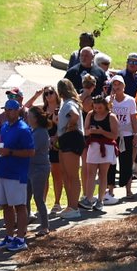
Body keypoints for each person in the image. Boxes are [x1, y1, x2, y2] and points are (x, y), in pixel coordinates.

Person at [0, 99, 35, 251]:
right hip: (3, 171)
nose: (7, 112)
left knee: (19, 205)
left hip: (16, 174)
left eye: (10, 110)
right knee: (6, 205)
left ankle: (21, 238)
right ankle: (9, 236)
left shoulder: (23, 129)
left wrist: (10, 152)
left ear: (17, 111)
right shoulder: (4, 127)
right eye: (6, 109)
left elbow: (31, 152)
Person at [82, 95, 119, 210]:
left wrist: (101, 132)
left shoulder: (111, 117)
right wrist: (91, 131)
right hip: (93, 146)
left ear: (106, 106)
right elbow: (85, 131)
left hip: (106, 147)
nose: (97, 110)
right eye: (95, 107)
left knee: (103, 174)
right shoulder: (90, 114)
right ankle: (88, 199)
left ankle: (100, 200)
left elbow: (114, 135)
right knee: (90, 173)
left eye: (100, 108)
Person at [54, 78, 84, 219]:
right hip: (65, 139)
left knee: (72, 175)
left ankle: (74, 207)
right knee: (66, 174)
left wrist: (68, 127)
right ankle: (70, 205)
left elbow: (75, 116)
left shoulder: (70, 103)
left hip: (72, 138)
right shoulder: (66, 103)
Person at [106, 77, 137, 201]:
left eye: (119, 85)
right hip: (113, 135)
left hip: (127, 135)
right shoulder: (108, 100)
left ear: (123, 86)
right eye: (115, 85)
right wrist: (110, 104)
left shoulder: (130, 100)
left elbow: (134, 118)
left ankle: (128, 190)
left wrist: (136, 134)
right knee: (111, 162)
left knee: (126, 162)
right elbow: (105, 115)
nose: (117, 87)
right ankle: (110, 189)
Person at [25, 106, 52, 236]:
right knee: (26, 197)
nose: (27, 118)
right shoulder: (33, 131)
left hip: (39, 168)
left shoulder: (40, 132)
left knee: (38, 197)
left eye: (29, 116)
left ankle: (45, 225)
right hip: (30, 167)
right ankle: (25, 222)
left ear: (35, 118)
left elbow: (32, 151)